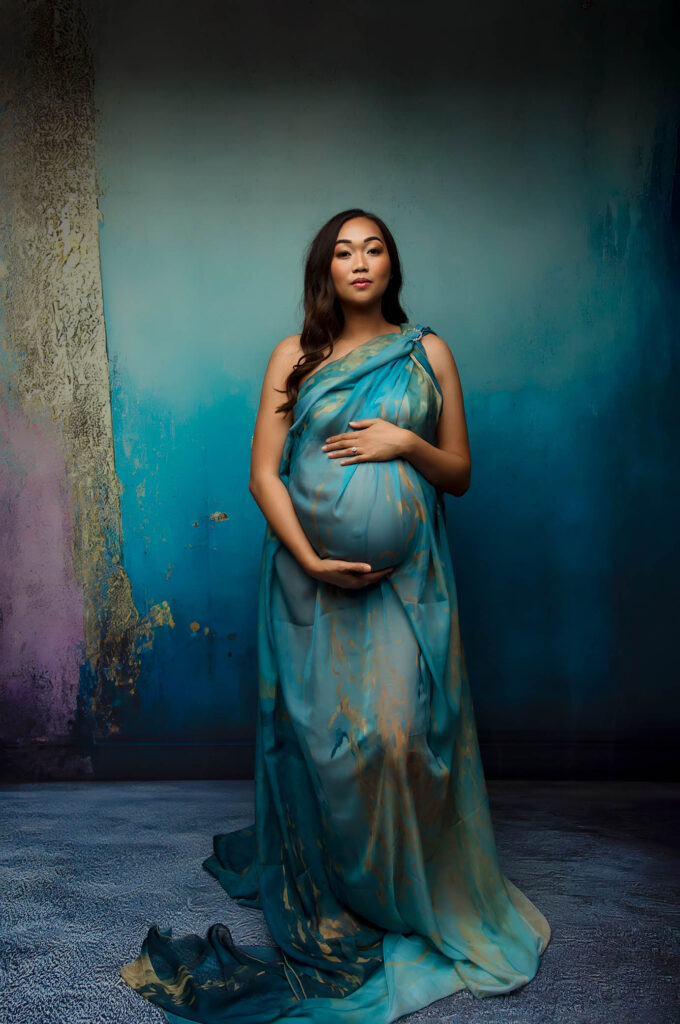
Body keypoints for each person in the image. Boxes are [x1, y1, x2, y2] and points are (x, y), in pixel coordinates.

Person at [120, 208, 551, 1023]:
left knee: (397, 737)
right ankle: (340, 886)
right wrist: (314, 560)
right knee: (326, 749)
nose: (360, 262)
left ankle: (399, 891)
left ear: (391, 264)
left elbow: (459, 473)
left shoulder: (428, 354)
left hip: (407, 586)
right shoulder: (295, 356)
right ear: (326, 270)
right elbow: (264, 475)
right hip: (306, 584)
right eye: (344, 251)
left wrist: (403, 443)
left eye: (373, 248)